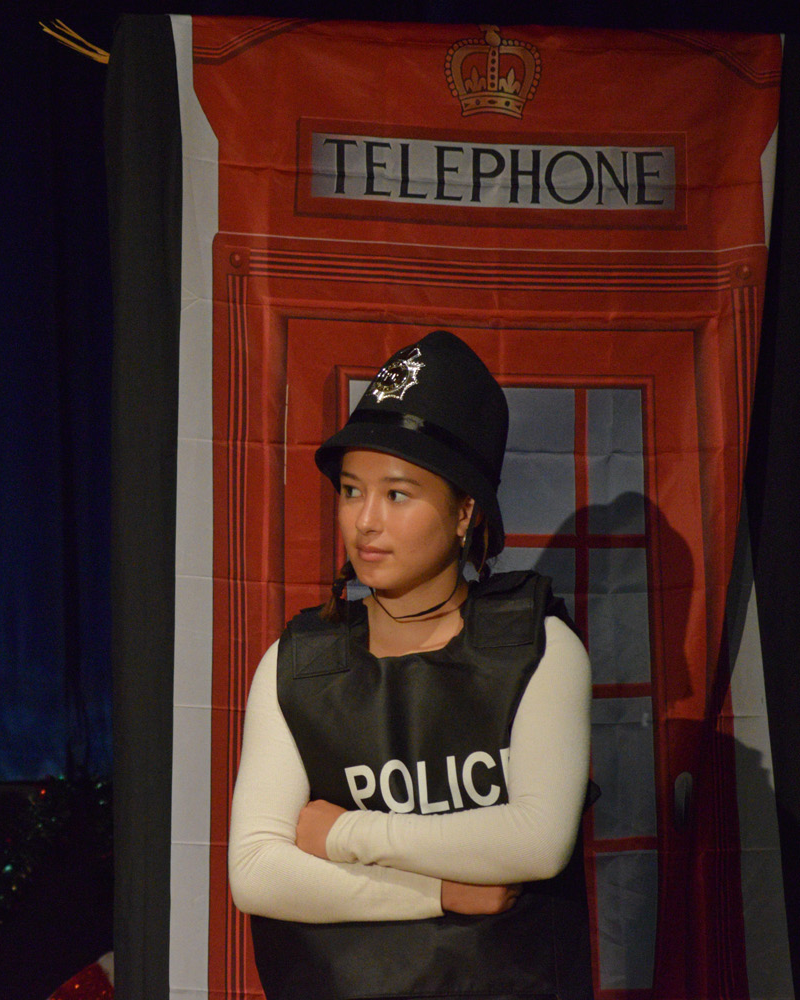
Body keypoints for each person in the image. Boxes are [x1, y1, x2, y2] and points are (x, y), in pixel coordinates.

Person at [227, 330, 593, 999]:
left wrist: (344, 832)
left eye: (397, 494)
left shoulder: (538, 649)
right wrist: (439, 890)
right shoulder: (297, 664)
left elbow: (536, 841)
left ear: (465, 511)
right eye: (350, 490)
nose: (365, 521)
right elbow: (255, 872)